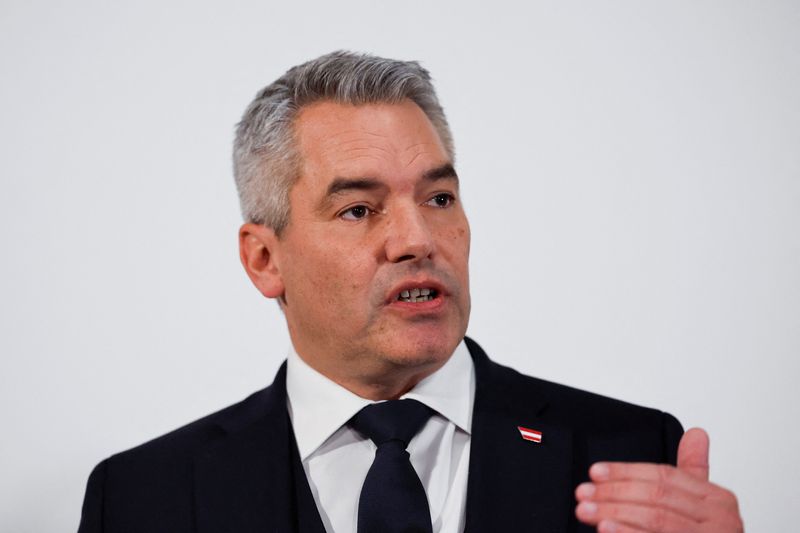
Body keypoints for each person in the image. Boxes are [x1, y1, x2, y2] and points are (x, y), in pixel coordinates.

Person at [78, 51, 744, 533]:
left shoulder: (628, 453)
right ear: (263, 258)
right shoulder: (142, 499)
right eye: (359, 210)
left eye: (439, 196)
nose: (418, 238)